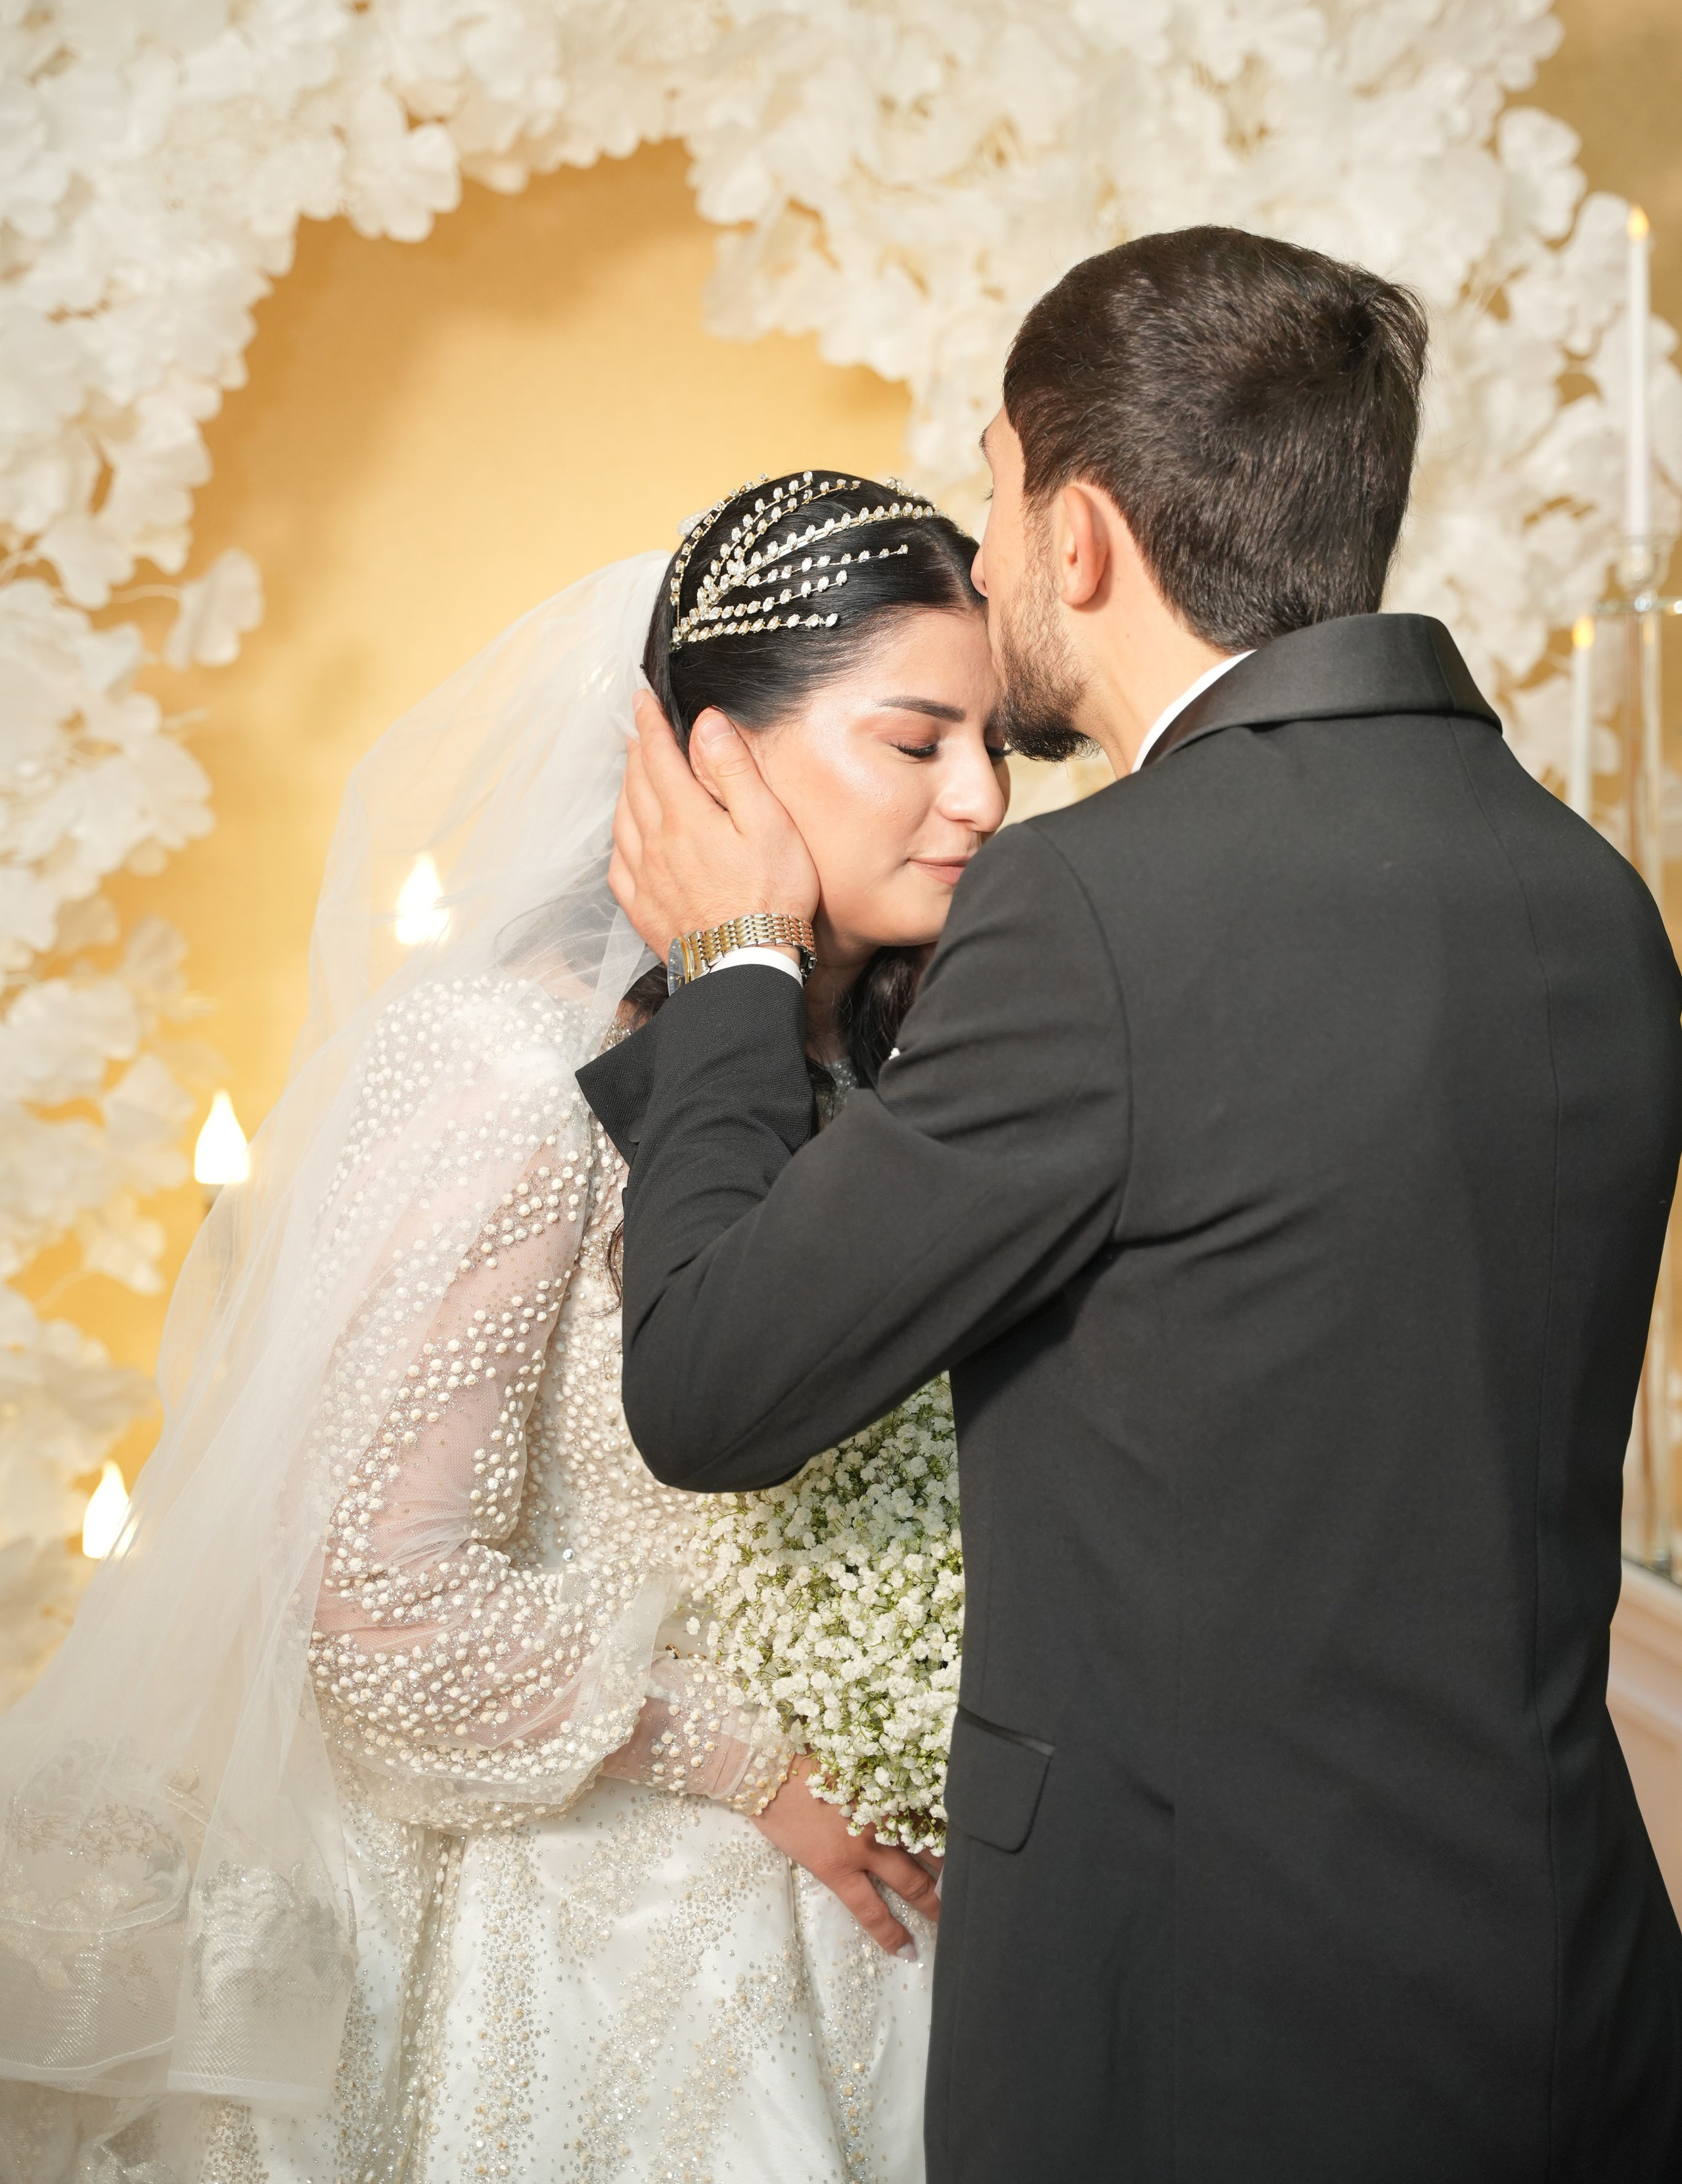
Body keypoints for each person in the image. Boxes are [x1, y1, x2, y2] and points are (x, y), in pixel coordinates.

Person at [585, 225, 1682, 2184]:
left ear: (1078, 537)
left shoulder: (1093, 906)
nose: (987, 558)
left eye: (995, 495)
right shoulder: (1589, 895)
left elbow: (711, 1385)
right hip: (1575, 1973)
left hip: (1208, 2028)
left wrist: (743, 962)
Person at [0, 486, 1007, 2184]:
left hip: (885, 1953)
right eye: (919, 742)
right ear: (715, 767)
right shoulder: (502, 1078)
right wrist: (757, 1764)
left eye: (996, 745)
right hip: (578, 1964)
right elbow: (378, 1609)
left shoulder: (903, 1093)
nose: (981, 797)